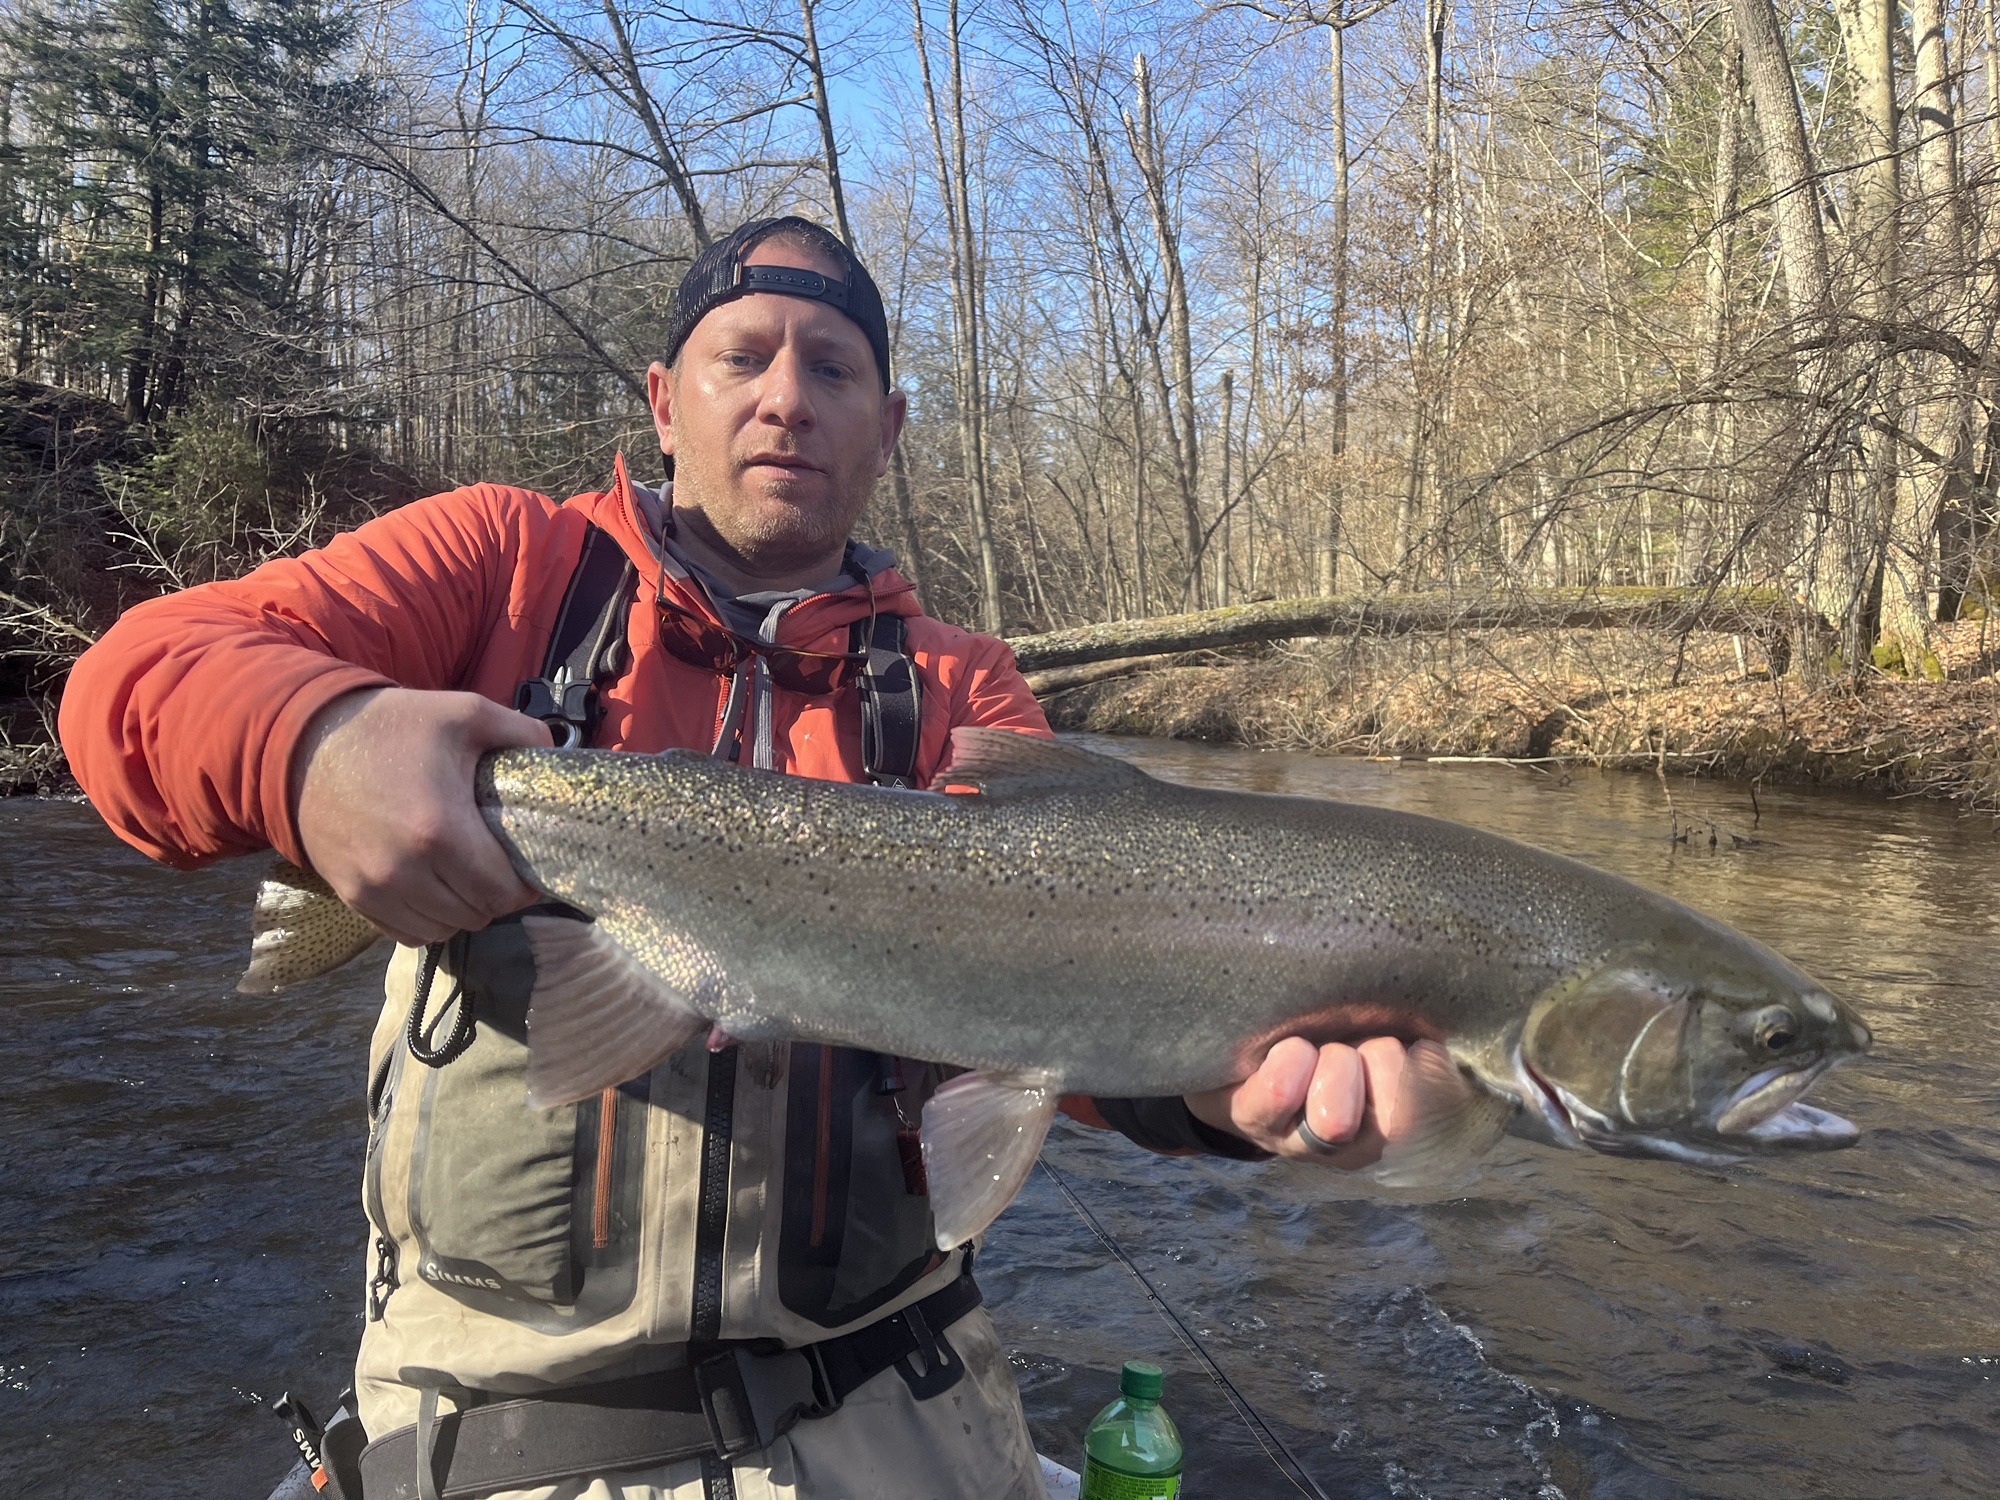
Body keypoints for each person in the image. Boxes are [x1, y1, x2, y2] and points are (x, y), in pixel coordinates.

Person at [59, 216, 1413, 1500]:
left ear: (887, 428)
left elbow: (1056, 1027)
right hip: (502, 1435)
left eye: (833, 369)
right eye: (743, 358)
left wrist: (1227, 1093)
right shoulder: (505, 567)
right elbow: (134, 685)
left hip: (898, 1419)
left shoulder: (963, 692)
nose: (786, 400)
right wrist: (314, 746)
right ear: (665, 402)